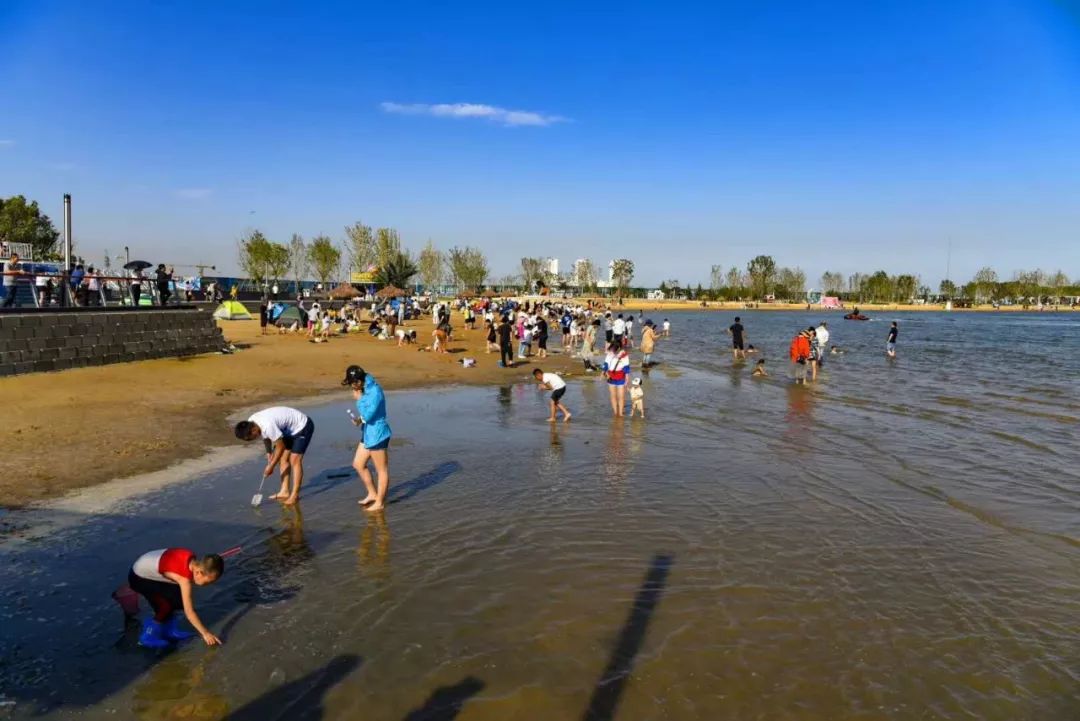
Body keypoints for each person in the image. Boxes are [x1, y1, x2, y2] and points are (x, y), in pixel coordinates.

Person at [127, 548, 224, 648]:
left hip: (153, 571)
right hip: (138, 577)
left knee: (178, 600)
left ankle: (169, 631)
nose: (208, 585)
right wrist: (206, 633)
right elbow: (189, 612)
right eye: (208, 582)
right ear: (199, 572)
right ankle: (147, 636)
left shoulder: (193, 562)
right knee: (165, 606)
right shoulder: (183, 578)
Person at [234, 406, 315, 506]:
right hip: (287, 430)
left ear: (253, 429)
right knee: (282, 459)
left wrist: (271, 466)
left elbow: (280, 446)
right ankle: (284, 491)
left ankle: (294, 496)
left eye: (251, 438)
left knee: (295, 460)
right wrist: (269, 452)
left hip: (302, 426)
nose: (252, 439)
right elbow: (265, 435)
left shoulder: (267, 425)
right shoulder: (252, 421)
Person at [344, 365, 392, 512]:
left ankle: (380, 502)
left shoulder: (374, 391)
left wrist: (359, 400)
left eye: (352, 383)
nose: (351, 386)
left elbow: (370, 415)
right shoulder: (365, 388)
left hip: (378, 434)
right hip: (368, 433)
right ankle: (372, 493)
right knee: (358, 464)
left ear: (359, 381)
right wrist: (359, 420)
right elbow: (367, 415)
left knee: (381, 470)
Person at [603, 341, 631, 417]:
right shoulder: (610, 353)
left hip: (621, 376)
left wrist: (627, 379)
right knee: (613, 396)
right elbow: (606, 364)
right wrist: (604, 372)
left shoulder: (624, 354)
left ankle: (621, 414)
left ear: (618, 348)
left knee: (621, 397)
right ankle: (615, 413)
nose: (612, 350)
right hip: (610, 376)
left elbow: (626, 367)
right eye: (612, 348)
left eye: (614, 349)